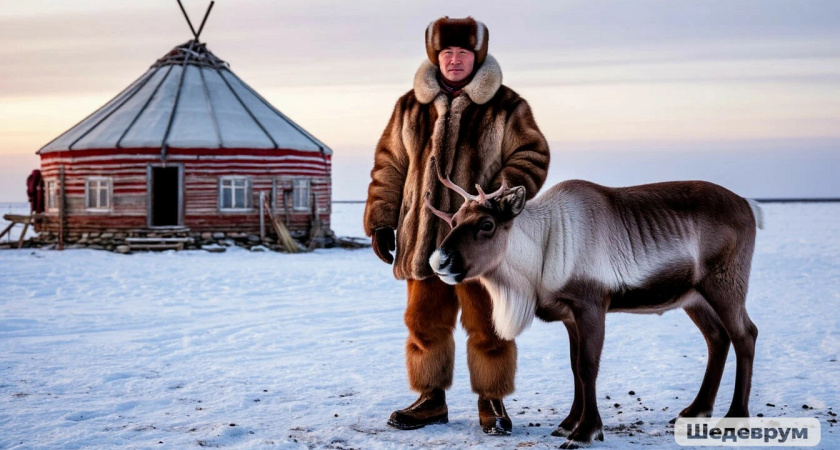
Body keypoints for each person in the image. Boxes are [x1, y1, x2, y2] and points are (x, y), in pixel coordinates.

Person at [363, 16, 550, 435]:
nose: (453, 60)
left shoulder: (506, 106)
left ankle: (492, 401)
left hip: (477, 245)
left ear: (477, 56)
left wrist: (500, 200)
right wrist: (381, 220)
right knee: (423, 322)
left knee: (488, 324)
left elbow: (532, 156)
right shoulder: (410, 106)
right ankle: (430, 400)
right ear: (435, 56)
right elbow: (389, 165)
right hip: (422, 236)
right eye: (446, 52)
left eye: (462, 53)